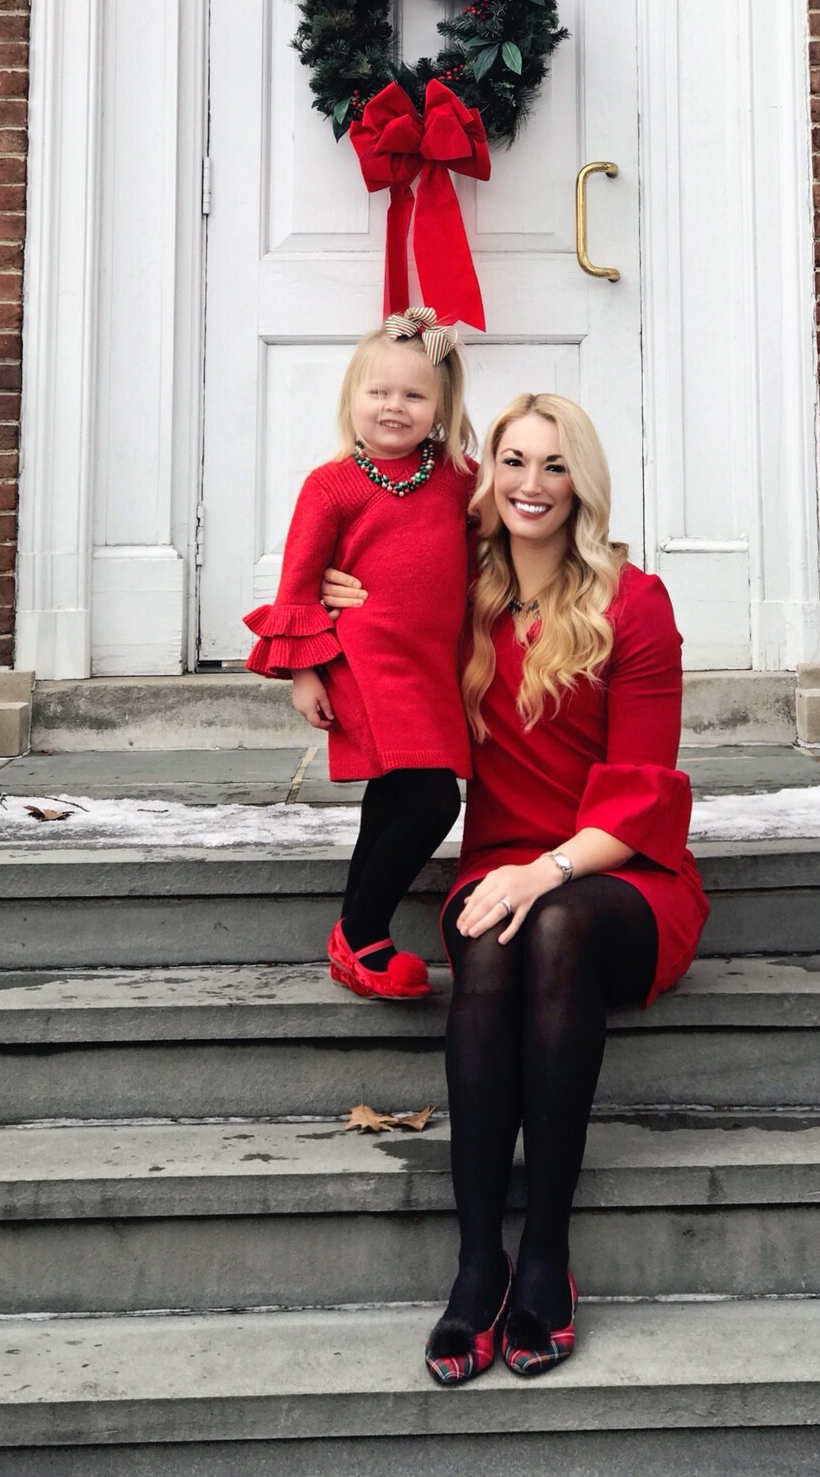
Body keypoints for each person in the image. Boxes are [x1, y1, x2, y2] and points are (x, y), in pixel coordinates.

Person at [328, 393, 709, 1382]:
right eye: (513, 460)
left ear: (581, 481)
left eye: (553, 464)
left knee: (552, 926)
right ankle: (476, 1263)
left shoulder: (634, 601)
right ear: (487, 475)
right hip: (499, 874)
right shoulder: (463, 592)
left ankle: (546, 1251)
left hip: (619, 875)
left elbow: (645, 792)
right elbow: (375, 593)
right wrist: (331, 604)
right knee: (500, 935)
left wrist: (548, 869)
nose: (531, 484)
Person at [243, 306, 476, 1000]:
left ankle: (351, 933)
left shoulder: (457, 477)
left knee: (395, 793)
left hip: (432, 664)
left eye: (414, 394)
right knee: (433, 799)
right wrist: (304, 672)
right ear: (352, 399)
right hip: (364, 663)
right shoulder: (332, 484)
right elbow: (296, 580)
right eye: (378, 392)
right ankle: (365, 933)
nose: (394, 407)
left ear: (441, 405)